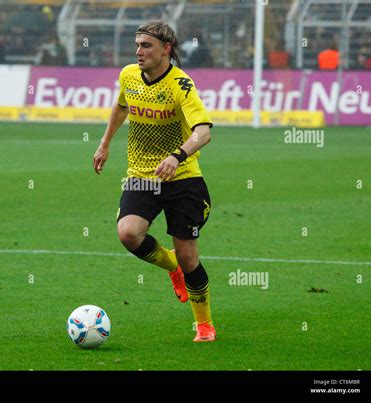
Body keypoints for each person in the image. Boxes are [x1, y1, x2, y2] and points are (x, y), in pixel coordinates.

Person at [93, 20, 216, 342]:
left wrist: (177, 156)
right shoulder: (129, 75)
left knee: (189, 257)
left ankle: (204, 324)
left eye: (146, 46)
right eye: (137, 45)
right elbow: (121, 107)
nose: (139, 52)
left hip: (182, 179)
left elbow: (203, 132)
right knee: (128, 234)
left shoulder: (181, 85)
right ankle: (170, 266)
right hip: (141, 175)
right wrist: (105, 143)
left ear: (166, 49)